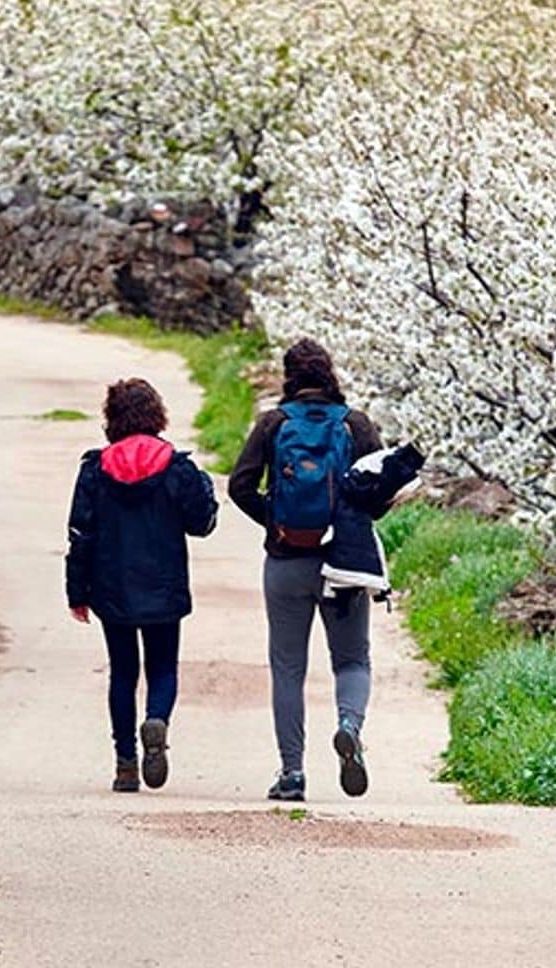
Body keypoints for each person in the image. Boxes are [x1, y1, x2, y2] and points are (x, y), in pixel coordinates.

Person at [229, 338, 382, 803]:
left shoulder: (273, 424)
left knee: (288, 669)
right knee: (352, 660)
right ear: (330, 373)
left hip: (286, 561)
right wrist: (351, 527)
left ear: (289, 375)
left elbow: (239, 486)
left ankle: (292, 773)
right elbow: (382, 488)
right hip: (342, 567)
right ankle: (348, 726)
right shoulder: (356, 424)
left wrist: (275, 520)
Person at [66, 377, 217, 792]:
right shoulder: (176, 466)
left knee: (123, 673)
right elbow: (201, 523)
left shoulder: (96, 469)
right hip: (164, 586)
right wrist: (203, 486)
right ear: (157, 415)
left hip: (111, 587)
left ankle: (126, 764)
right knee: (163, 667)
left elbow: (80, 534)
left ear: (112, 419)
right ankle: (157, 720)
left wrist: (76, 593)